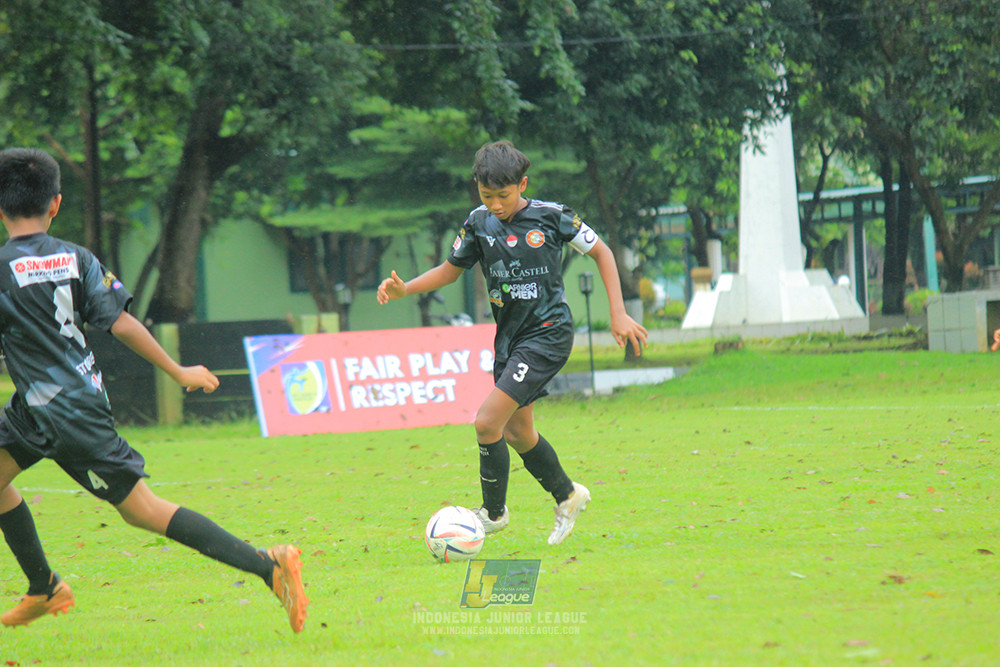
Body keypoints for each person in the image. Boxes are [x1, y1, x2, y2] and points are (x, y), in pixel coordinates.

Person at [0, 148, 308, 632]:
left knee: (143, 511)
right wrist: (177, 369)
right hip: (50, 405)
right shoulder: (77, 258)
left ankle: (267, 565)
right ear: (56, 204)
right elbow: (120, 322)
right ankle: (45, 588)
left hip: (63, 415)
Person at [377, 140, 647, 545]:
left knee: (488, 423)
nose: (497, 205)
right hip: (509, 340)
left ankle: (493, 513)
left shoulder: (552, 217)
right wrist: (406, 289)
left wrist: (618, 312)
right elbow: (451, 271)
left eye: (503, 195)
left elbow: (603, 253)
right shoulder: (478, 223)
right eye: (487, 196)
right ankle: (568, 495)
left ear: (522, 184)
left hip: (548, 333)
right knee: (520, 432)